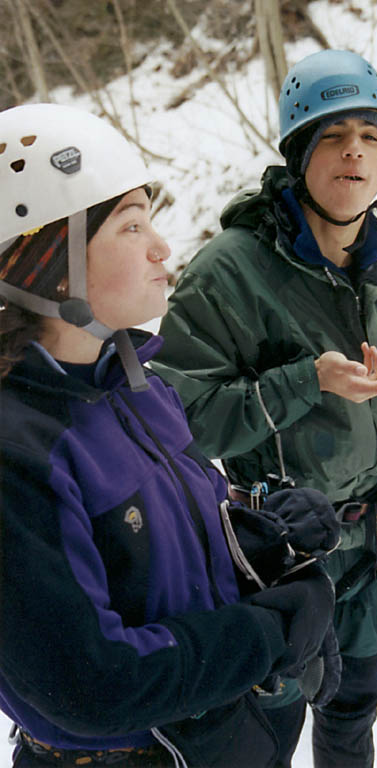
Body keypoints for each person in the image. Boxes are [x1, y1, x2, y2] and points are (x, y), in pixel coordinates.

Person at [151, 49, 377, 768]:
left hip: (365, 544)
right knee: (263, 736)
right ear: (298, 154)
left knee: (351, 715)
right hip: (272, 555)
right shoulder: (230, 270)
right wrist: (304, 381)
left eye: (371, 136)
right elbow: (179, 423)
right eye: (333, 135)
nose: (354, 152)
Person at [0, 102, 338, 768]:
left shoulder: (138, 388)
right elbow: (89, 681)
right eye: (130, 225)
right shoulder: (18, 450)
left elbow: (149, 548)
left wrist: (258, 536)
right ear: (49, 266)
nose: (160, 246)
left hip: (211, 737)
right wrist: (265, 632)